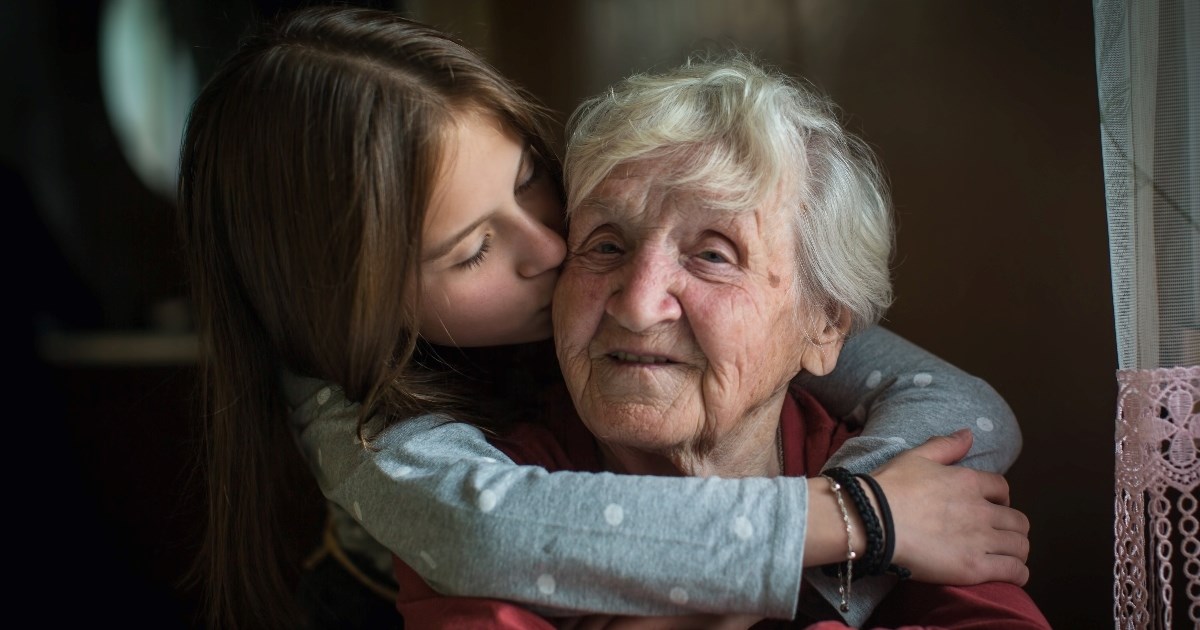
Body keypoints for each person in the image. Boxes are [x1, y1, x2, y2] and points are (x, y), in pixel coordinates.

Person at [178, 6, 1025, 629]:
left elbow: (967, 410)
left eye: (528, 183)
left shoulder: (794, 339)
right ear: (355, 307)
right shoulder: (366, 425)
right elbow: (486, 534)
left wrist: (857, 544)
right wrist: (862, 524)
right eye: (472, 251)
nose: (552, 247)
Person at [391, 54, 1046, 629]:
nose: (639, 304)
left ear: (823, 327)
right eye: (607, 244)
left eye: (712, 254)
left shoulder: (911, 484)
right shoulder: (489, 500)